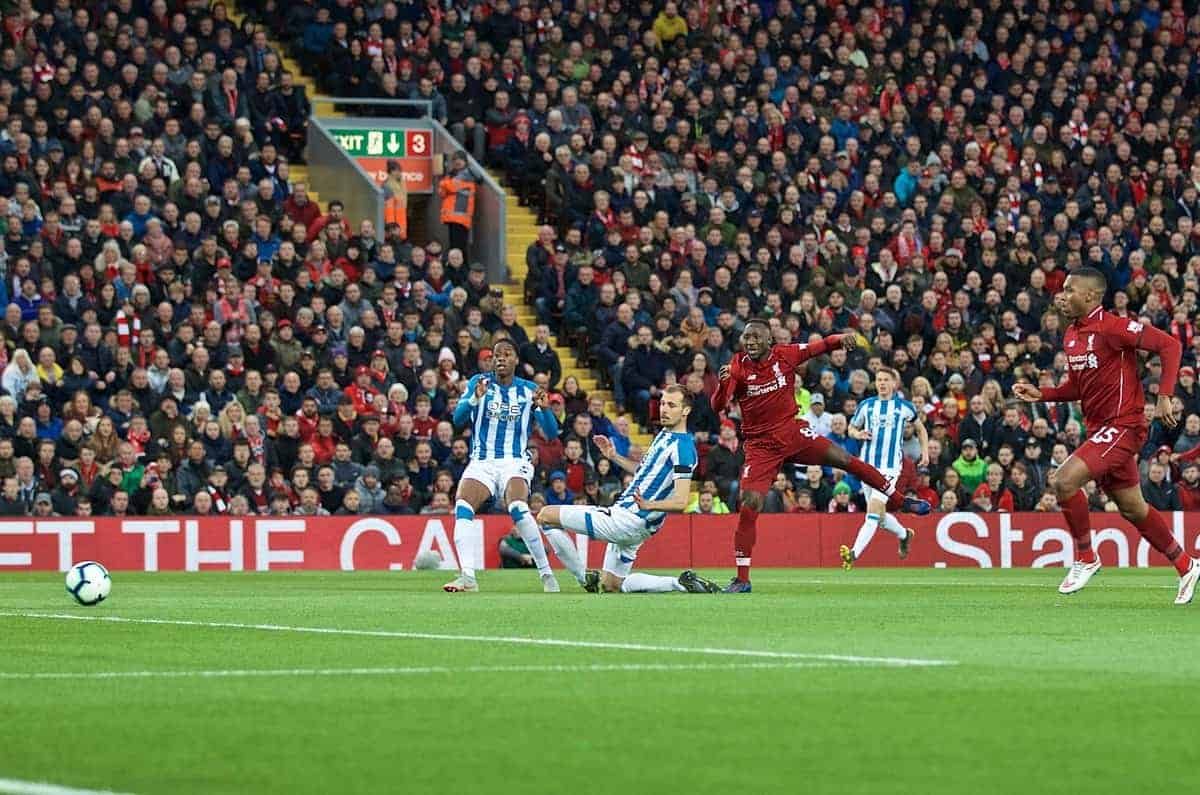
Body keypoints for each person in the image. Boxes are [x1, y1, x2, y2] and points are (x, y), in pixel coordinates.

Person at [1014, 267, 1199, 603]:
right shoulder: (1071, 335)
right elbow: (1077, 387)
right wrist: (1043, 394)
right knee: (1133, 508)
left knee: (1063, 481)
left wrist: (1164, 395)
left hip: (1124, 425)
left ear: (1091, 296)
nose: (1063, 296)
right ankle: (1187, 565)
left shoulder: (1113, 327)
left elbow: (1169, 345)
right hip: (1100, 429)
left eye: (1070, 290)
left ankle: (1087, 556)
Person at [711, 320, 931, 592]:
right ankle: (742, 580)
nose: (751, 342)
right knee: (749, 505)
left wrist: (842, 339)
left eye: (757, 337)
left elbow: (821, 346)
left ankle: (899, 501)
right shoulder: (737, 365)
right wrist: (722, 385)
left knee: (845, 459)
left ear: (770, 341)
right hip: (760, 446)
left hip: (792, 433)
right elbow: (718, 406)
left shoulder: (786, 354)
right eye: (747, 337)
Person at [537, 384, 720, 594]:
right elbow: (642, 472)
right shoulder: (664, 435)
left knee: (545, 516)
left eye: (671, 405)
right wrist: (614, 456)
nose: (664, 409)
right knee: (611, 585)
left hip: (629, 518)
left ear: (685, 411)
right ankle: (680, 583)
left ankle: (583, 576)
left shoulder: (683, 448)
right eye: (662, 404)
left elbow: (681, 500)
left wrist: (649, 504)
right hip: (638, 522)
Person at [443, 338, 560, 593]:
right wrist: (474, 399)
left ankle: (546, 573)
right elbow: (458, 419)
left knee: (518, 506)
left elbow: (550, 433)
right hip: (482, 461)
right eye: (496, 355)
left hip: (514, 461)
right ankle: (468, 577)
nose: (500, 358)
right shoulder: (478, 383)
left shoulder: (529, 390)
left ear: (516, 359)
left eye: (507, 354)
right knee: (462, 507)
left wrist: (546, 410)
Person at [841, 368, 929, 569]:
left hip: (889, 467)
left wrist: (925, 453)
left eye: (885, 380)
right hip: (867, 466)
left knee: (872, 512)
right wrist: (858, 434)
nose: (881, 383)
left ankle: (853, 554)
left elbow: (921, 429)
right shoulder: (866, 406)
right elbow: (851, 428)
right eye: (878, 380)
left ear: (894, 384)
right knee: (878, 517)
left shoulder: (904, 407)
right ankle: (904, 534)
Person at [438, 151, 476, 256]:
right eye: (455, 159)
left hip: (461, 218)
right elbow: (441, 193)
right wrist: (446, 185)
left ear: (465, 161)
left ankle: (464, 269)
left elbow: (450, 187)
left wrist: (444, 183)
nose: (457, 161)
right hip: (452, 217)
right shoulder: (451, 175)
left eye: (460, 159)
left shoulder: (467, 174)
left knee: (459, 248)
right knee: (455, 247)